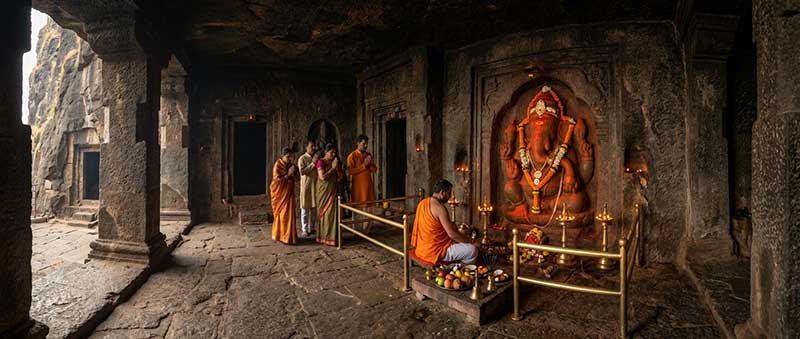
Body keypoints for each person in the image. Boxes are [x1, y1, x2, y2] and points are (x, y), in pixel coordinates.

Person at [411, 179, 478, 264]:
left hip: (421, 249)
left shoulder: (422, 203)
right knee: (472, 250)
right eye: (449, 193)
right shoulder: (440, 208)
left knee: (462, 239)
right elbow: (452, 235)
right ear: (442, 193)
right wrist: (472, 241)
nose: (450, 197)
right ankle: (460, 266)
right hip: (435, 251)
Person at [347, 134, 377, 232]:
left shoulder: (368, 155)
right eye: (364, 143)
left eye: (367, 144)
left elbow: (374, 169)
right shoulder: (352, 156)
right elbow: (351, 171)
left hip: (368, 188)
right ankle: (357, 231)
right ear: (358, 143)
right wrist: (364, 165)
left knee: (369, 210)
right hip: (357, 189)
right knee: (358, 211)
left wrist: (370, 164)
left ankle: (366, 231)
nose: (365, 146)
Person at [315, 143, 342, 246]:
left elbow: (340, 177)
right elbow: (322, 177)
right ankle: (324, 237)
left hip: (333, 191)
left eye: (335, 152)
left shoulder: (334, 162)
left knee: (333, 214)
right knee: (325, 214)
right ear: (326, 152)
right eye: (331, 152)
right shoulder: (320, 162)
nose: (333, 154)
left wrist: (337, 168)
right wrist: (333, 168)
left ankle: (333, 238)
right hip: (323, 192)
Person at [270, 147, 298, 245]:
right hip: (280, 194)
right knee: (283, 215)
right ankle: (281, 235)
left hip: (289, 193)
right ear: (282, 156)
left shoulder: (290, 165)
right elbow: (276, 181)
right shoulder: (278, 165)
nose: (290, 158)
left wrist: (294, 172)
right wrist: (288, 175)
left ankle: (290, 236)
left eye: (291, 157)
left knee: (290, 214)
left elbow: (297, 176)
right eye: (288, 156)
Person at [297, 140, 319, 237]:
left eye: (314, 146)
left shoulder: (317, 158)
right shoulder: (302, 158)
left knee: (314, 209)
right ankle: (304, 229)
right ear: (306, 147)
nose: (313, 148)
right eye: (311, 146)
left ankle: (312, 227)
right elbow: (302, 171)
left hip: (315, 186)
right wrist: (313, 163)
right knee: (305, 209)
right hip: (306, 187)